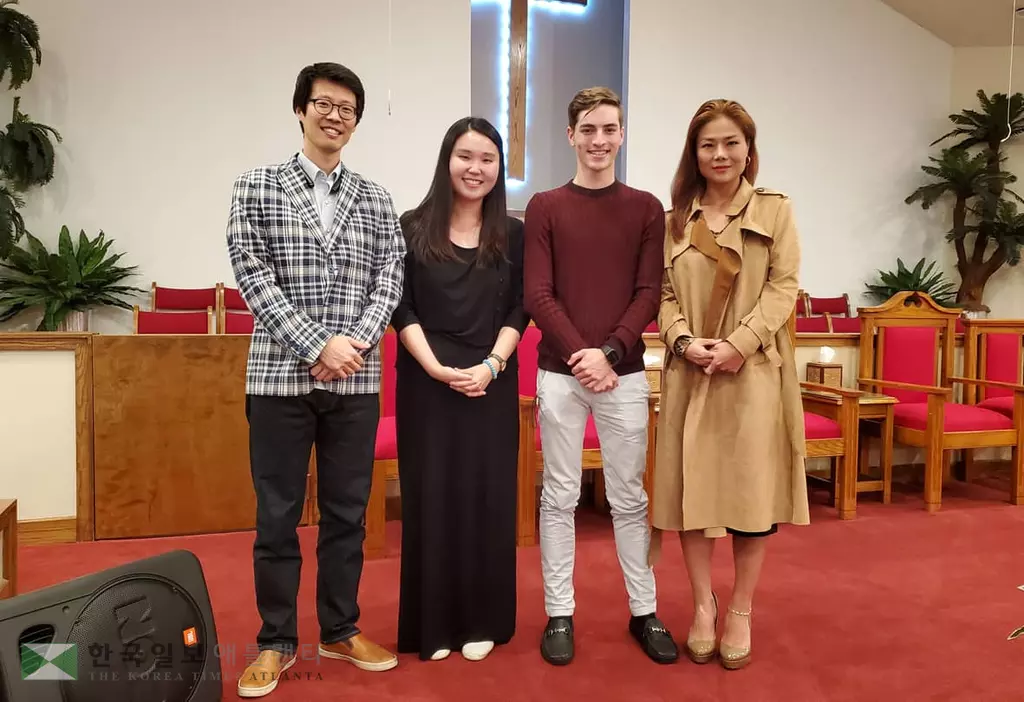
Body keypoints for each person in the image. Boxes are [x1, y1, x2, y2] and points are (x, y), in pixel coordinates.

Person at [227, 62, 406, 698]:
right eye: (324, 104)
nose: (335, 116)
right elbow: (252, 275)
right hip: (278, 378)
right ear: (301, 109)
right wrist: (315, 345)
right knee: (277, 515)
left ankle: (340, 627)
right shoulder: (256, 186)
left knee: (347, 514)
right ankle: (275, 640)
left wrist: (351, 345)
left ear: (356, 122)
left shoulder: (376, 198)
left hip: (354, 381)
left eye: (347, 109)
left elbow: (390, 277)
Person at [652, 98, 809, 671]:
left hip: (753, 373)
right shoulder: (674, 220)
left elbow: (784, 287)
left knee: (750, 494)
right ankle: (702, 604)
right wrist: (682, 342)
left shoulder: (775, 210)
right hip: (691, 373)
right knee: (693, 494)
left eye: (730, 143)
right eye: (708, 145)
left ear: (748, 149)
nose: (719, 154)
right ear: (693, 153)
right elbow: (662, 295)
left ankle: (740, 607)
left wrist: (739, 344)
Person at [523, 86, 678, 666]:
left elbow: (649, 293)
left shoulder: (645, 208)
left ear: (622, 134)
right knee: (559, 495)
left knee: (629, 498)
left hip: (625, 374)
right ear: (571, 135)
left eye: (609, 129)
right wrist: (583, 356)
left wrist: (609, 354)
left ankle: (644, 611)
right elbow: (538, 294)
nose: (599, 140)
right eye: (588, 129)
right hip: (561, 375)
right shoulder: (545, 206)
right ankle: (559, 613)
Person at [391, 116, 527, 663]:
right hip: (426, 384)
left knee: (486, 498)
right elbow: (401, 306)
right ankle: (434, 624)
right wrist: (432, 367)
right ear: (447, 160)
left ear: (499, 168)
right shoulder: (411, 226)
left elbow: (521, 308)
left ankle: (482, 619)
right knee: (432, 497)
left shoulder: (513, 233)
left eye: (488, 159)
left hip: (491, 382)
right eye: (465, 156)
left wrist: (492, 365)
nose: (476, 168)